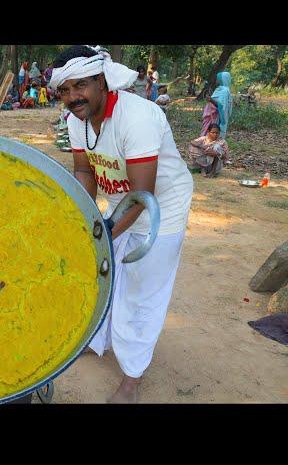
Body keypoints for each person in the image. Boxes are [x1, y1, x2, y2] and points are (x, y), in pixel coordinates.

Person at [50, 45, 193, 403]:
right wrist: (85, 219)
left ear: (102, 81)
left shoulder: (138, 117)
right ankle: (98, 340)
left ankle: (132, 377)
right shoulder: (75, 121)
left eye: (80, 85)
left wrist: (103, 233)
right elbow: (85, 170)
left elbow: (144, 194)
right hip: (120, 205)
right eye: (64, 90)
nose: (72, 97)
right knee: (107, 278)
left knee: (143, 292)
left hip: (162, 209)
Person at [208, 71, 233, 138]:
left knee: (216, 132)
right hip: (216, 115)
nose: (216, 81)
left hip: (219, 117)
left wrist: (211, 100)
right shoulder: (223, 89)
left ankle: (216, 146)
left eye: (217, 79)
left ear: (222, 80)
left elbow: (221, 105)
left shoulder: (224, 91)